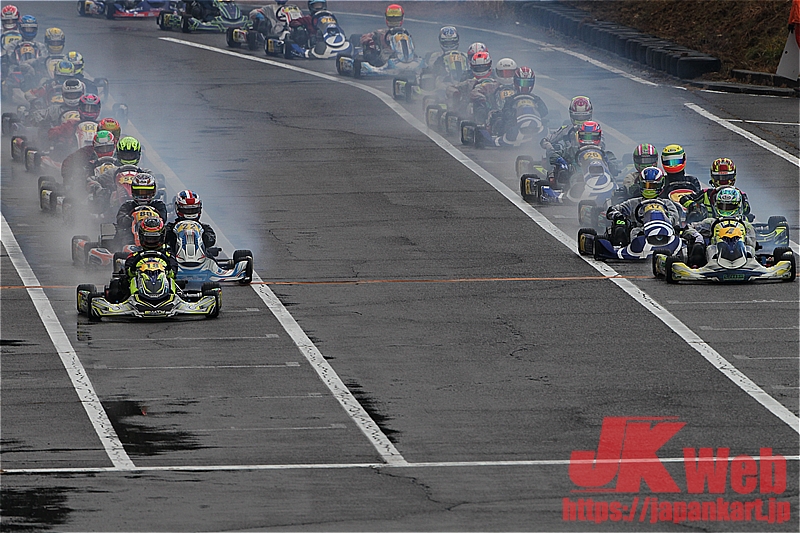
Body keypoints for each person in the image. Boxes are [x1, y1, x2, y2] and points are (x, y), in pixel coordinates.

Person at [681, 186, 757, 266]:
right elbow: (689, 228)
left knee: (749, 244)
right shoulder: (710, 222)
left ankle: (750, 261)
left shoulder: (745, 225)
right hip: (714, 254)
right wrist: (698, 238)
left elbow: (753, 242)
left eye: (730, 206)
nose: (726, 209)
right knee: (701, 247)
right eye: (722, 206)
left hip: (743, 254)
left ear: (738, 206)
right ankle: (704, 264)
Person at [605, 167, 682, 246]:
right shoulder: (633, 203)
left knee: (682, 231)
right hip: (640, 233)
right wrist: (618, 216)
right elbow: (612, 210)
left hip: (666, 233)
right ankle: (630, 247)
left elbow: (674, 218)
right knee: (624, 229)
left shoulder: (666, 203)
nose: (649, 189)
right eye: (646, 185)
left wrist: (664, 220)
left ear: (661, 185)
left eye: (652, 186)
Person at [117, 216, 179, 301]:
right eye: (148, 238)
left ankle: (170, 296)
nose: (151, 241)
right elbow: (129, 272)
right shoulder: (134, 256)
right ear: (141, 237)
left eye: (154, 239)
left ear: (162, 237)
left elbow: (173, 272)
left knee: (171, 278)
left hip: (164, 286)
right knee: (126, 281)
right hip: (138, 288)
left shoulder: (168, 256)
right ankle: (133, 297)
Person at [485, 66, 548, 146]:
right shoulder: (511, 99)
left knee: (545, 122)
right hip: (515, 123)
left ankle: (529, 132)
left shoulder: (535, 99)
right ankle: (509, 135)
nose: (525, 86)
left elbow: (544, 111)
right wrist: (512, 114)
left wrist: (537, 112)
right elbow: (505, 112)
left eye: (527, 83)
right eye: (522, 83)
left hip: (534, 123)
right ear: (515, 82)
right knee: (501, 120)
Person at [679, 157, 752, 221]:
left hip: (735, 227)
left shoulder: (740, 194)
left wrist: (746, 218)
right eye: (719, 177)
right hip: (709, 228)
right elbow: (683, 199)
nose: (723, 180)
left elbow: (747, 210)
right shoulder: (706, 194)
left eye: (726, 177)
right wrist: (696, 207)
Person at [114, 173, 168, 245]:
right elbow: (120, 221)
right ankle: (123, 248)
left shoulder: (158, 205)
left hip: (155, 234)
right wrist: (132, 218)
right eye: (139, 191)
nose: (143, 195)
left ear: (153, 191)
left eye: (146, 192)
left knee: (169, 232)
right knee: (121, 233)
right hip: (131, 235)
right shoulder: (127, 205)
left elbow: (163, 219)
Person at [165, 190, 217, 254]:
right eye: (187, 210)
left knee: (211, 258)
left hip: (199, 256)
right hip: (174, 256)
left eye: (193, 210)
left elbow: (211, 240)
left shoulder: (205, 229)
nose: (190, 212)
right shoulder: (170, 228)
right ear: (177, 208)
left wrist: (203, 237)